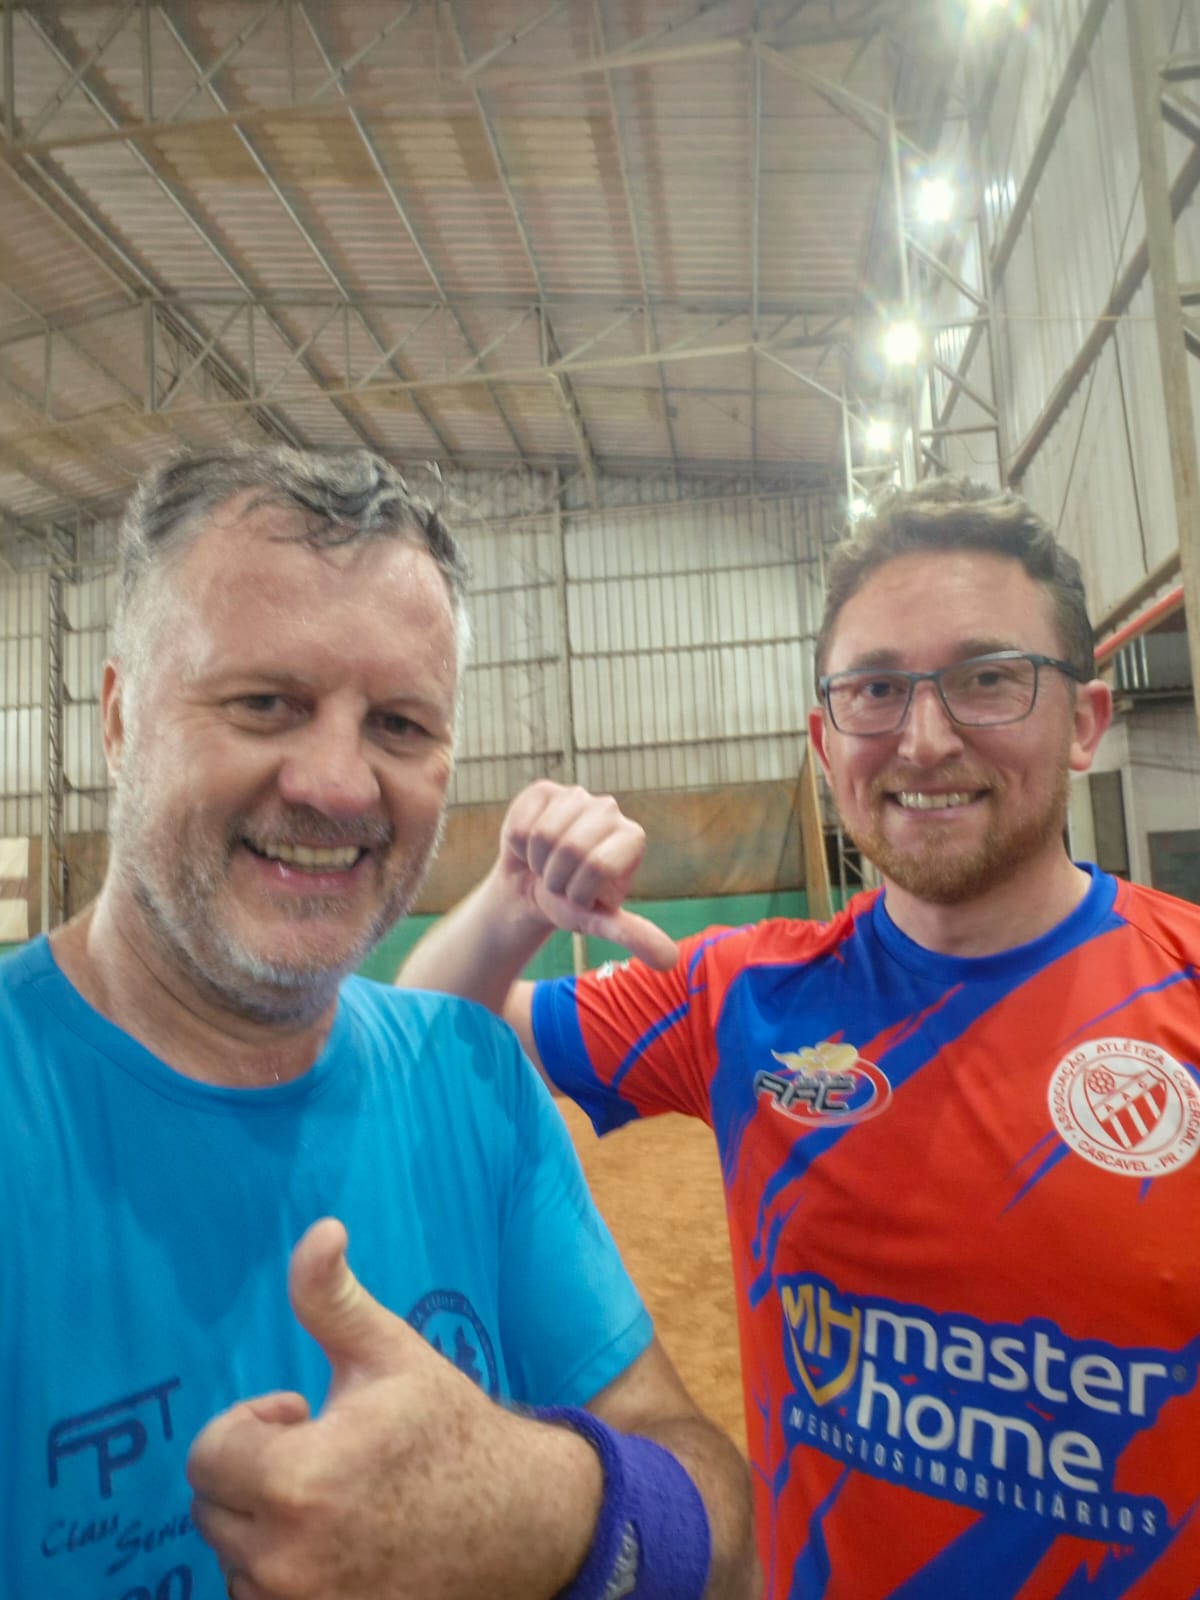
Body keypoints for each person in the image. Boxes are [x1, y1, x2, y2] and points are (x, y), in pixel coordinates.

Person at [400, 475, 1200, 1599]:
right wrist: (509, 901)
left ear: (1084, 720)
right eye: (877, 689)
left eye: (987, 678)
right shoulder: (744, 993)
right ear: (827, 741)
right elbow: (436, 1037)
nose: (926, 738)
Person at [0, 445, 758, 1600]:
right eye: (267, 703)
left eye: (399, 724)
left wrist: (552, 1508)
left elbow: (726, 1537)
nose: (339, 784)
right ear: (117, 718)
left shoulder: (472, 1077)